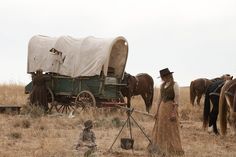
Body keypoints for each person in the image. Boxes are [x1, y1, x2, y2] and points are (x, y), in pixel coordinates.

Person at [148, 68, 184, 156]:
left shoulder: (175, 85)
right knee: (161, 127)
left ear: (168, 76)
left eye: (163, 77)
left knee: (171, 128)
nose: (162, 79)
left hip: (170, 108)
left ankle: (173, 149)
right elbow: (159, 99)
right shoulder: (162, 85)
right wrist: (157, 112)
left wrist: (173, 112)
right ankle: (160, 148)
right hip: (162, 109)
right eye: (162, 77)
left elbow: (177, 99)